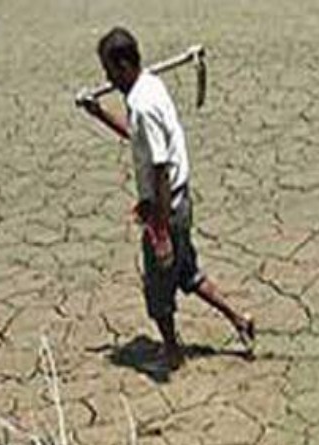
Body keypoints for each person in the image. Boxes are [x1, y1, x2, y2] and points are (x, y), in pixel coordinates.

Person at [80, 27, 254, 371]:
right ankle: (239, 319)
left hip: (167, 207)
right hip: (177, 201)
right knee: (187, 272)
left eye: (110, 70)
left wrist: (158, 228)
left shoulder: (143, 105)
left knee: (158, 289)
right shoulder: (149, 86)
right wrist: (99, 113)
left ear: (125, 65)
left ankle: (172, 354)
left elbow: (159, 166)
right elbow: (138, 140)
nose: (107, 77)